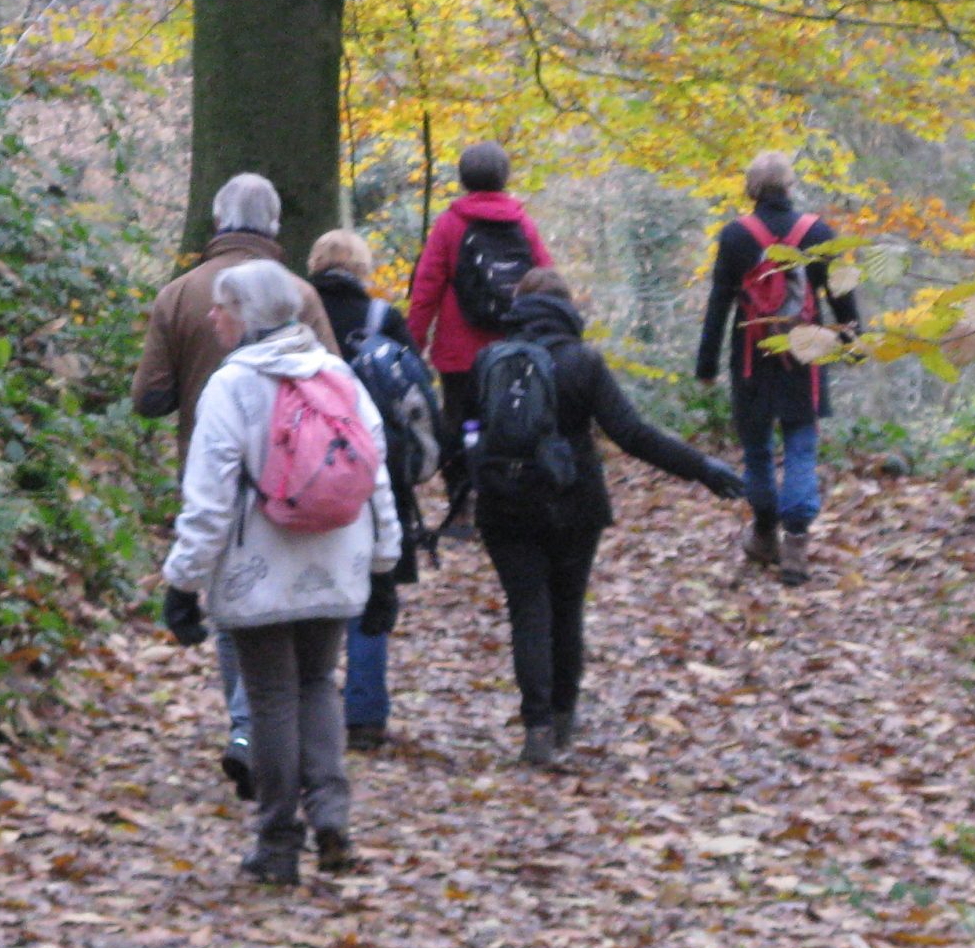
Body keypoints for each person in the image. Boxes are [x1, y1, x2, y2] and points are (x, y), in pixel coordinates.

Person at [162, 261, 401, 884]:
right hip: (336, 558)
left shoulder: (231, 387)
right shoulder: (338, 375)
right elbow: (377, 479)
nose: (214, 317)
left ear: (247, 314)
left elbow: (209, 500)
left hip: (257, 568)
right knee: (319, 685)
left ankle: (276, 843)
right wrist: (383, 567)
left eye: (222, 307)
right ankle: (331, 817)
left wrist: (182, 581)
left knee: (269, 697)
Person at [472, 268, 743, 768]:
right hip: (573, 504)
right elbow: (633, 435)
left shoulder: (490, 360)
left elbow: (465, 433)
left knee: (527, 612)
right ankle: (562, 721)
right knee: (565, 611)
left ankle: (535, 728)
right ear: (567, 309)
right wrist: (701, 468)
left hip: (504, 504)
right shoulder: (582, 362)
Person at [134, 173, 338, 798]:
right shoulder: (300, 294)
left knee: (232, 606)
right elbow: (336, 383)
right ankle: (278, 738)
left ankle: (247, 727)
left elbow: (148, 399)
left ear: (217, 222)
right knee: (284, 600)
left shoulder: (178, 295)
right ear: (274, 225)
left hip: (211, 470)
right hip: (296, 477)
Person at [694, 151, 861, 585]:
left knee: (757, 451)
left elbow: (719, 303)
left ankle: (765, 531)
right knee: (801, 446)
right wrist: (853, 344)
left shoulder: (735, 236)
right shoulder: (818, 232)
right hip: (805, 357)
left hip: (751, 358)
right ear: (790, 187)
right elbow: (842, 296)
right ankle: (796, 543)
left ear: (752, 189)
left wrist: (707, 364)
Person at [307, 228, 429, 753]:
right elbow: (416, 399)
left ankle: (303, 703)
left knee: (306, 586)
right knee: (371, 587)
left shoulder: (295, 320)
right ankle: (364, 715)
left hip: (305, 473)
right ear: (362, 268)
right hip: (375, 471)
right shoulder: (385, 320)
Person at [408, 140, 552, 530]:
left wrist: (412, 345)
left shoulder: (450, 224)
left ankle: (460, 509)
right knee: (507, 425)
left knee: (456, 426)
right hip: (513, 348)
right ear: (505, 176)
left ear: (463, 178)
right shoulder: (522, 223)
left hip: (459, 350)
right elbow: (546, 280)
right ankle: (503, 504)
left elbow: (426, 288)